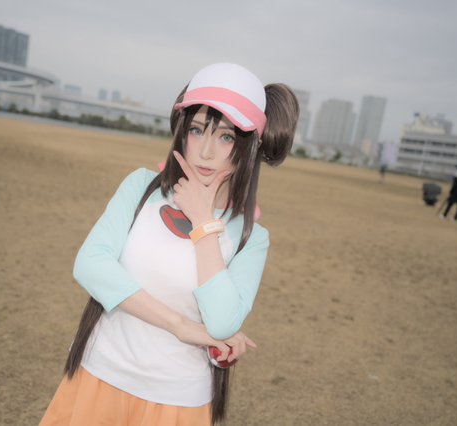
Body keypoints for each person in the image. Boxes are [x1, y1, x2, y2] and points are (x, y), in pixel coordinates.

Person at [39, 63, 299, 426]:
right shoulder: (141, 186)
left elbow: (222, 322)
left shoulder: (251, 237)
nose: (205, 151)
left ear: (252, 144)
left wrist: (203, 222)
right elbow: (90, 265)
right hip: (99, 376)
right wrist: (179, 324)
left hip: (178, 401)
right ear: (182, 130)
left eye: (226, 137)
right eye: (197, 130)